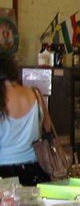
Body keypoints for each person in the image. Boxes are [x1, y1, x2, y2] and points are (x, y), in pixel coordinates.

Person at [0, 53, 52, 185]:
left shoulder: (1, 99)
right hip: (35, 169)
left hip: (4, 172)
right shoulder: (35, 93)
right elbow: (48, 126)